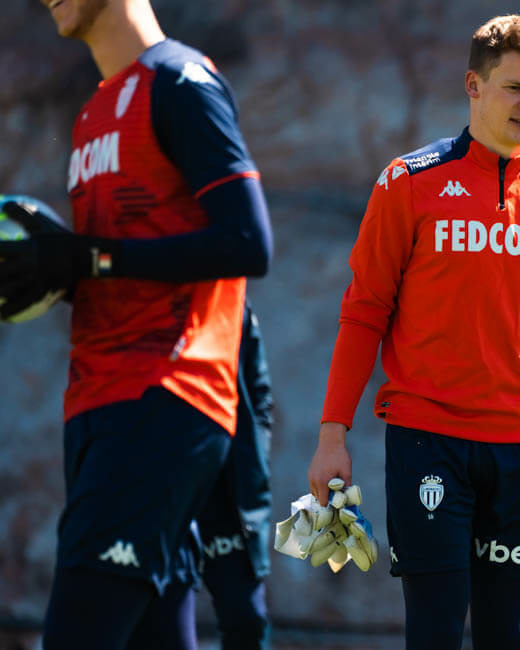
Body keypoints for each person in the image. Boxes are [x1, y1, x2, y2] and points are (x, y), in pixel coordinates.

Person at [306, 14, 520, 650]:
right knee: (436, 632)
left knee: (507, 637)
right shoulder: (408, 182)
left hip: (519, 450)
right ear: (473, 85)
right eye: (514, 87)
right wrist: (332, 435)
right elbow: (363, 312)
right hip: (427, 441)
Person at [0, 0, 273, 647]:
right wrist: (47, 272)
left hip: (164, 398)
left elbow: (248, 242)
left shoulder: (181, 80)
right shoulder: (92, 114)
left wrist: (88, 258)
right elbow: (119, 263)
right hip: (96, 405)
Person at [195, 303, 274, 649]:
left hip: (227, 489)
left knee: (247, 618)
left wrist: (254, 454)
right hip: (163, 483)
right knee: (161, 617)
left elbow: (260, 395)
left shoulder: (233, 303)